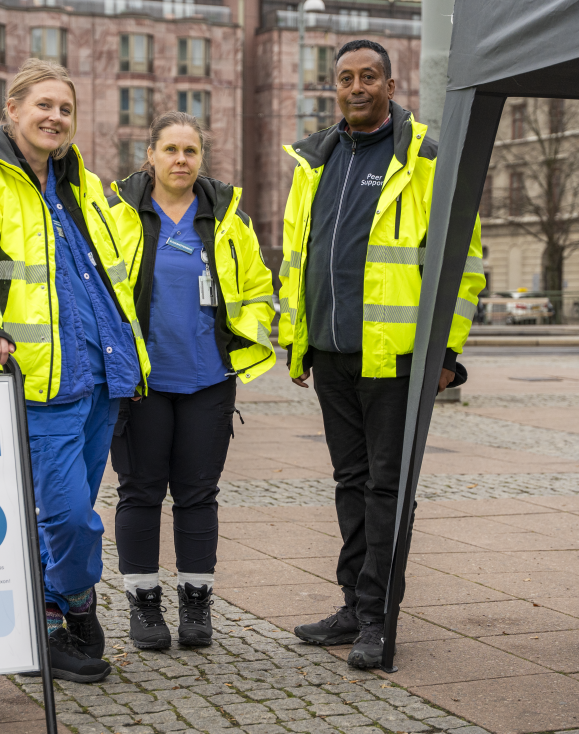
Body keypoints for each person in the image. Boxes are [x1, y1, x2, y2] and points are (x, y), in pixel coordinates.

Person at [0, 59, 151, 683]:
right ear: (12, 111)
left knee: (70, 507)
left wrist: (130, 354)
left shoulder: (83, 184)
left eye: (65, 109)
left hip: (100, 374)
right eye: (43, 106)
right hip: (37, 376)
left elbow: (111, 274)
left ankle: (48, 622)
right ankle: (76, 602)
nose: (55, 117)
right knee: (67, 515)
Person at [278, 40, 485, 669]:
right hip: (330, 354)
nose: (356, 87)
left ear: (391, 87)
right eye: (346, 78)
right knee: (350, 484)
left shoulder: (425, 159)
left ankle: (377, 617)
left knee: (386, 489)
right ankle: (352, 605)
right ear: (335, 88)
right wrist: (296, 339)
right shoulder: (315, 161)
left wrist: (447, 350)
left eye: (369, 76)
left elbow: (463, 264)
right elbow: (297, 258)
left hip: (395, 360)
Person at [107, 112, 276, 649]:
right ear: (150, 155)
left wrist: (240, 339)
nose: (181, 160)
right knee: (139, 492)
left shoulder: (228, 219)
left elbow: (259, 289)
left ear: (202, 158)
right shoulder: (116, 215)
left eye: (191, 151)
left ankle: (196, 603)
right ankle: (144, 606)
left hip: (209, 381)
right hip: (142, 383)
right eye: (171, 149)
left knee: (198, 495)